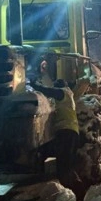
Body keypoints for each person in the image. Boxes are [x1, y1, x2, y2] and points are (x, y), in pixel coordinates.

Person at [29, 59, 80, 188]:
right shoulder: (69, 95)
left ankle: (69, 189)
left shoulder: (62, 92)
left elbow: (49, 92)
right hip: (71, 132)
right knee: (67, 162)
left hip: (66, 132)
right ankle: (74, 186)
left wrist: (35, 85)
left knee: (63, 164)